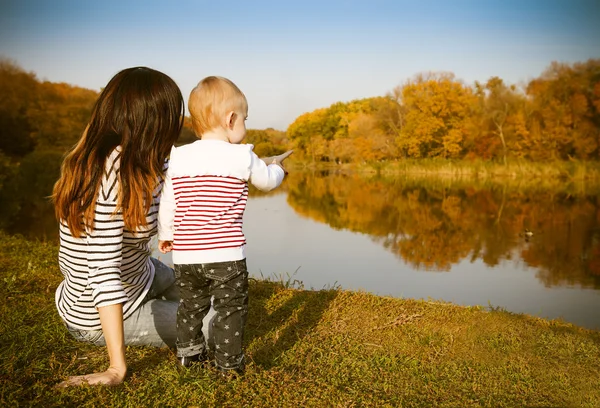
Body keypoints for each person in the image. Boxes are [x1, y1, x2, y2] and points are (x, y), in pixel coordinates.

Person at [52, 67, 185, 387]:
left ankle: (163, 305)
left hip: (142, 274)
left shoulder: (152, 158)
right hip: (98, 311)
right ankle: (145, 321)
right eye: (172, 115)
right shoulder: (107, 176)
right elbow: (103, 273)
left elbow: (195, 168)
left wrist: (257, 168)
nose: (177, 124)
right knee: (213, 324)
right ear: (154, 121)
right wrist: (116, 369)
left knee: (213, 295)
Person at [157, 76, 292, 377]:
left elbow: (169, 201)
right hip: (225, 254)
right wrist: (279, 170)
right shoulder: (241, 155)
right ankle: (228, 366)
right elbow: (267, 182)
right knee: (230, 308)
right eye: (245, 118)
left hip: (187, 255)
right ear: (231, 119)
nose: (245, 125)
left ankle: (189, 358)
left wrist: (167, 235)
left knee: (190, 307)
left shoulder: (178, 155)